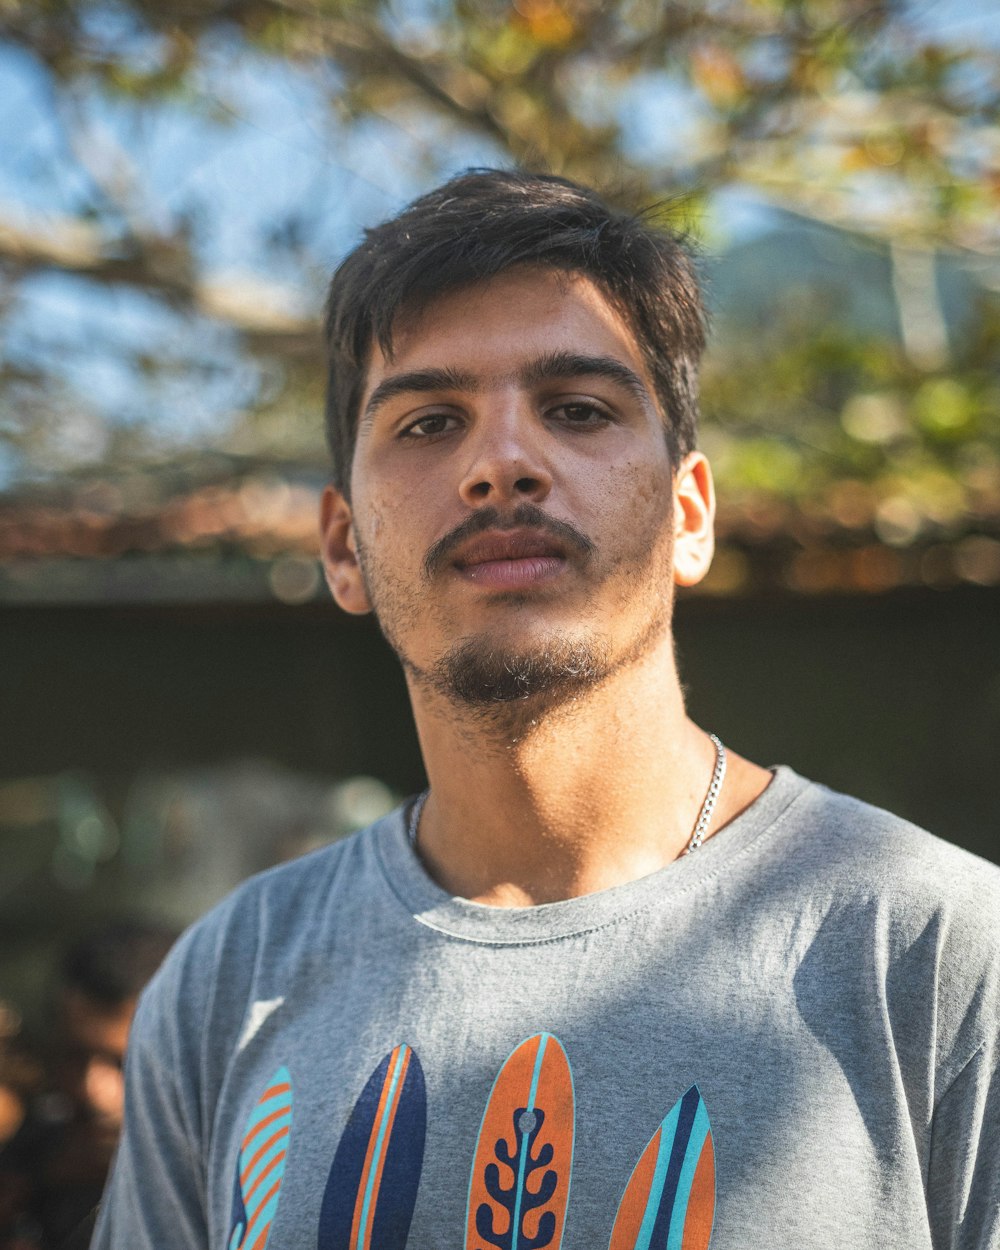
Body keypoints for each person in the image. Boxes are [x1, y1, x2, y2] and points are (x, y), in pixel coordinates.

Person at [92, 171, 999, 1249]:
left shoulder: (940, 950)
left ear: (688, 512)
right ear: (343, 546)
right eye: (429, 422)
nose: (503, 463)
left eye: (577, 409)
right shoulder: (227, 979)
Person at [0, 921, 176, 1249]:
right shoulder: (28, 1155)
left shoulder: (231, 1180)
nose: (93, 1088)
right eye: (75, 1056)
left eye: (123, 1063)